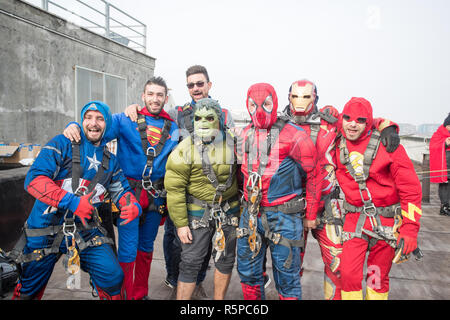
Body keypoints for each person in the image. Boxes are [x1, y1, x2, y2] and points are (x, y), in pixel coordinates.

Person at [282, 79, 401, 300]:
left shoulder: (330, 121)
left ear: (315, 97)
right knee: (289, 268)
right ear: (288, 96)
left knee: (338, 267)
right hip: (292, 207)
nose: (300, 102)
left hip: (328, 207)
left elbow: (359, 119)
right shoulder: (279, 124)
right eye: (295, 96)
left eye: (306, 96)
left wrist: (388, 126)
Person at [11, 101, 141, 300]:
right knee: (28, 289)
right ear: (81, 121)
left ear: (107, 123)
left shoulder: (111, 161)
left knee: (113, 277)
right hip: (44, 229)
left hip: (85, 230)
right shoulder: (61, 143)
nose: (93, 123)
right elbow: (34, 180)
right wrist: (72, 202)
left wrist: (133, 206)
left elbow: (122, 191)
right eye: (88, 117)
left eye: (99, 118)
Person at [63, 77, 179, 299]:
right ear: (143, 96)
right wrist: (73, 126)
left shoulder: (173, 128)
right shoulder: (126, 119)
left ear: (165, 98)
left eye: (160, 95)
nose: (155, 99)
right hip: (128, 194)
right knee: (127, 248)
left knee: (145, 248)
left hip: (156, 196)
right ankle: (123, 294)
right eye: (151, 94)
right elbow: (95, 127)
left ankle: (140, 294)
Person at [124, 65, 234, 298]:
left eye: (200, 83)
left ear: (209, 85)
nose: (195, 88)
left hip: (211, 190)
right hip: (178, 186)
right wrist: (134, 108)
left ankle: (198, 281)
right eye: (191, 85)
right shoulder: (178, 113)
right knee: (175, 238)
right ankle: (175, 279)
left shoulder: (224, 112)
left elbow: (232, 147)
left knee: (201, 248)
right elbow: (156, 112)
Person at [236, 83, 321, 300]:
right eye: (253, 105)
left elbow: (313, 175)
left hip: (284, 215)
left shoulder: (295, 135)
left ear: (274, 103)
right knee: (248, 274)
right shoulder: (244, 134)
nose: (259, 111)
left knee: (287, 277)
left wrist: (311, 215)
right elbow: (240, 173)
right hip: (251, 214)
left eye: (266, 104)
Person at [335, 97, 422, 300]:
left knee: (376, 276)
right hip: (354, 220)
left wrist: (410, 228)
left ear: (368, 122)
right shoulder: (335, 138)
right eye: (347, 118)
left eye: (360, 120)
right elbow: (323, 116)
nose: (352, 124)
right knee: (348, 274)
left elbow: (411, 189)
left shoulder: (388, 144)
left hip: (385, 222)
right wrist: (386, 124)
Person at [164, 98, 240, 300]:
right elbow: (174, 190)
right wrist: (180, 224)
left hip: (228, 213)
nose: (204, 122)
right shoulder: (183, 150)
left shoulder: (235, 144)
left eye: (209, 117)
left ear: (219, 120)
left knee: (226, 259)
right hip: (197, 214)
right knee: (190, 262)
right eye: (198, 118)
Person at [430, 113, 450, 216]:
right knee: (445, 185)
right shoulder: (438, 134)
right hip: (444, 165)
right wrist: (445, 143)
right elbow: (433, 146)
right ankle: (444, 206)